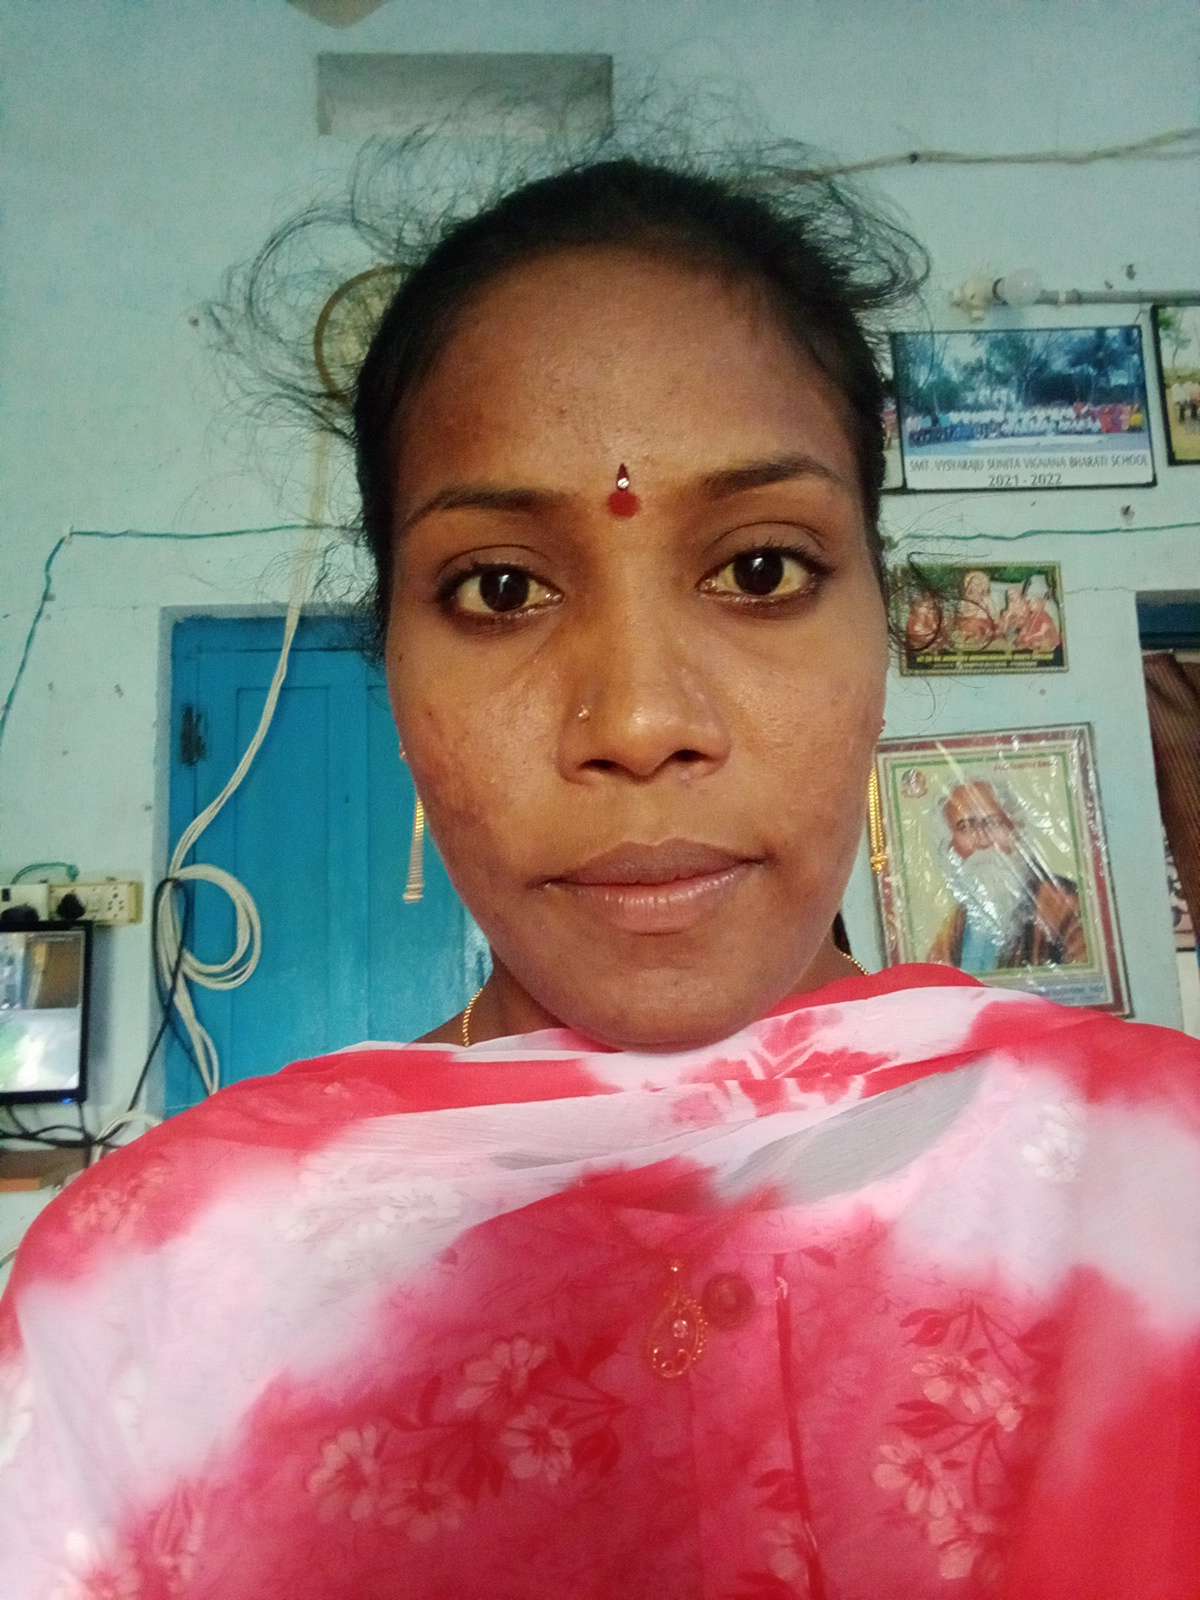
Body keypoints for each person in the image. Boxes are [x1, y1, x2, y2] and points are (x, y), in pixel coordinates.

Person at [2, 150, 1198, 1600]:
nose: (636, 721)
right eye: (501, 588)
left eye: (760, 570)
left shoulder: (1158, 1192)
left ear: (884, 629)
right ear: (394, 677)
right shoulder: (151, 1298)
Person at [926, 781, 1085, 973]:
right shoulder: (957, 922)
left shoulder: (1064, 906)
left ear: (1017, 830)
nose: (982, 840)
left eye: (993, 823)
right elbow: (935, 980)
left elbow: (1087, 980)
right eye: (965, 827)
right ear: (951, 844)